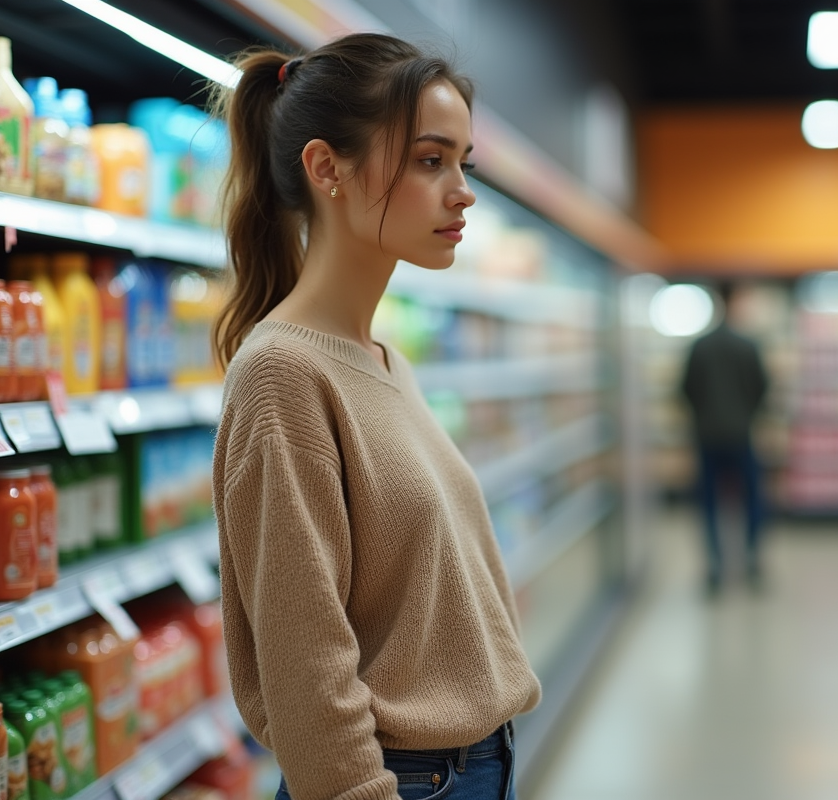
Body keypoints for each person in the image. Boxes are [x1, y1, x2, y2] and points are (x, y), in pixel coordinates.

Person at [210, 34, 541, 800]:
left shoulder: (387, 359)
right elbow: (305, 668)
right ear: (327, 169)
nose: (462, 190)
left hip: (475, 767)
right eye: (431, 160)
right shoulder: (283, 376)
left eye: (464, 162)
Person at [680, 281, 770, 593]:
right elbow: (762, 388)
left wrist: (703, 415)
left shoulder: (699, 346)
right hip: (741, 433)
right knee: (751, 499)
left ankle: (716, 566)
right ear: (736, 301)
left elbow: (686, 389)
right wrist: (747, 415)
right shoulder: (748, 345)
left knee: (709, 503)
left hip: (707, 435)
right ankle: (752, 559)